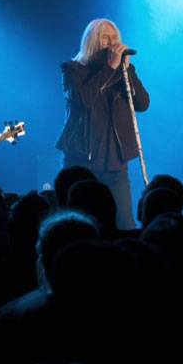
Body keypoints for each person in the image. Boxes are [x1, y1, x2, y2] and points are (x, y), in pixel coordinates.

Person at [56, 18, 149, 230]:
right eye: (105, 38)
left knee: (124, 224)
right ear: (92, 41)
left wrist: (126, 70)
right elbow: (82, 101)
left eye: (115, 38)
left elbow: (143, 104)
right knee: (81, 225)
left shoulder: (123, 72)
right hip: (83, 164)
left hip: (116, 165)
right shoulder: (73, 70)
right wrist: (109, 67)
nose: (112, 43)